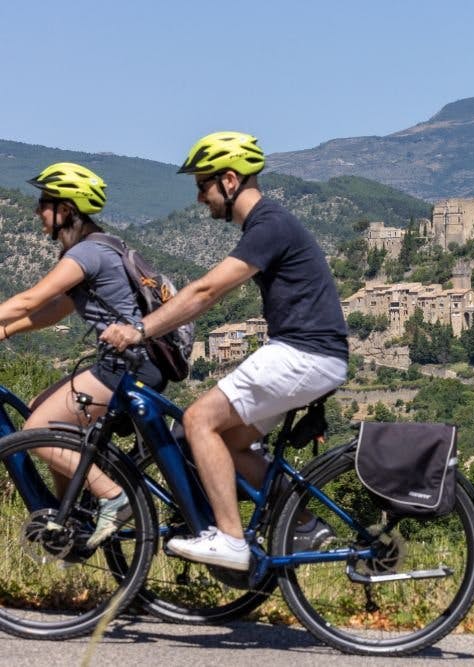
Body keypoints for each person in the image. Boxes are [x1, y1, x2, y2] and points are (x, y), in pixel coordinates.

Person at [101, 131, 350, 571]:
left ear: (230, 180)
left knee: (198, 420)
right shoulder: (269, 223)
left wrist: (141, 330)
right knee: (226, 445)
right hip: (313, 356)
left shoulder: (269, 224)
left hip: (302, 354)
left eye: (203, 185)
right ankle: (305, 524)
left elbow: (207, 290)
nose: (200, 197)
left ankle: (230, 539)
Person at [0, 162, 167, 547]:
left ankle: (113, 496)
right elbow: (54, 310)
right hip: (132, 362)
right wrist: (6, 330)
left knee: (37, 433)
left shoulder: (87, 254)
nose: (36, 211)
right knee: (39, 407)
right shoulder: (96, 250)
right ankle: (70, 514)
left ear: (66, 210)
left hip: (128, 364)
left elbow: (30, 298)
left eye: (44, 202)